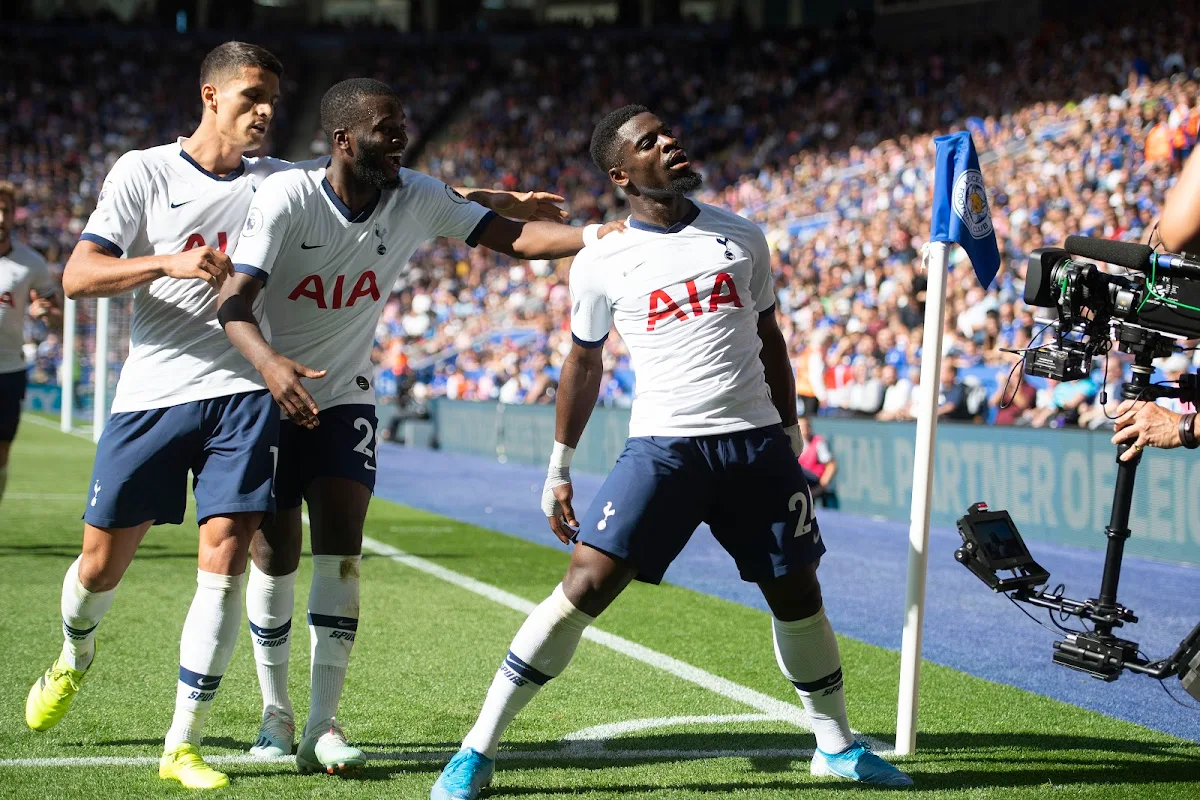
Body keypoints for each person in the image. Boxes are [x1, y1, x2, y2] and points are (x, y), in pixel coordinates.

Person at [431, 105, 911, 800]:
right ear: (622, 173)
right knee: (584, 585)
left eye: (669, 133)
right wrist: (559, 468)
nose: (670, 143)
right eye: (649, 141)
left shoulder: (742, 236)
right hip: (664, 449)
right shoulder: (600, 259)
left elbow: (769, 337)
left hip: (754, 446)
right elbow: (583, 364)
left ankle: (834, 746)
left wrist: (791, 427)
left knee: (797, 594)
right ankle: (476, 749)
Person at [217, 78, 622, 776]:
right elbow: (233, 302)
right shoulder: (287, 198)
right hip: (272, 394)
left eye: (402, 124)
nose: (401, 136)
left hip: (346, 398)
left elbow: (516, 237)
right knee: (275, 554)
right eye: (386, 127)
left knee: (341, 548)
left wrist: (595, 236)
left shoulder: (415, 196)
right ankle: (274, 713)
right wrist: (271, 367)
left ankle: (323, 722)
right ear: (344, 140)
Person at [21, 41, 299, 791]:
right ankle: (75, 655)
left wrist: (492, 206)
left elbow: (377, 186)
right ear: (210, 97)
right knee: (99, 565)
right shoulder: (143, 171)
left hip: (243, 393)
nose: (265, 111)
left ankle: (183, 741)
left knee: (225, 559)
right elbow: (80, 276)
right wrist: (165, 262)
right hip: (151, 397)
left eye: (272, 98)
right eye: (250, 96)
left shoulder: (278, 182)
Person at [0, 181, 60, 504]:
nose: (0, 217)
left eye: (5, 210)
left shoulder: (31, 263)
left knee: (2, 451)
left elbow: (57, 316)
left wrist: (47, 314)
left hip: (9, 370)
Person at [797, 415, 838, 509]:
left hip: (813, 481)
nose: (805, 430)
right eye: (801, 427)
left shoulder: (818, 442)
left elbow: (831, 466)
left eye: (807, 426)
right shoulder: (792, 443)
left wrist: (819, 489)